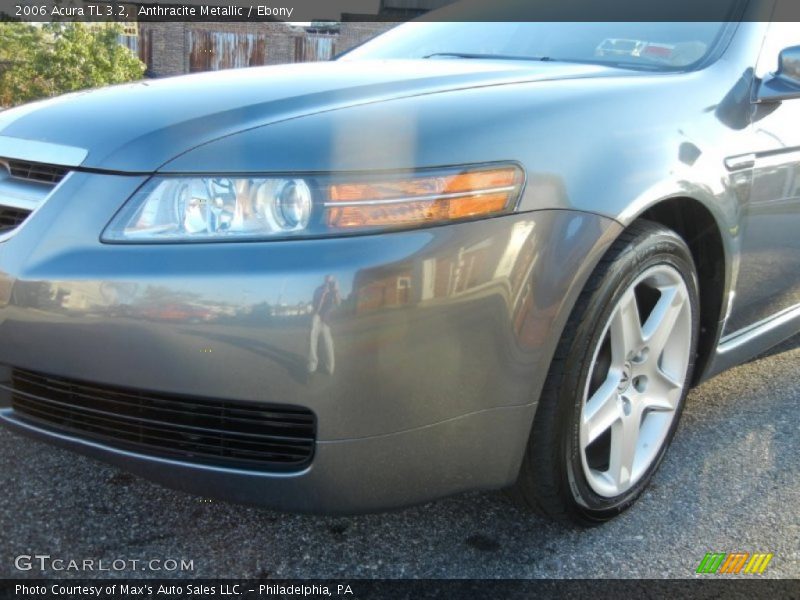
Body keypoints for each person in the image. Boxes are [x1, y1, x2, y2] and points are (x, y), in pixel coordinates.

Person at [307, 275, 340, 375]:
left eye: (331, 282)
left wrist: (336, 291)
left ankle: (330, 368)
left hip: (326, 320)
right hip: (317, 317)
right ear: (324, 280)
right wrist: (323, 295)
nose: (329, 283)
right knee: (313, 341)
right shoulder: (318, 290)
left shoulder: (334, 290)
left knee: (328, 343)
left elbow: (338, 303)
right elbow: (317, 308)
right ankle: (312, 365)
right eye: (328, 281)